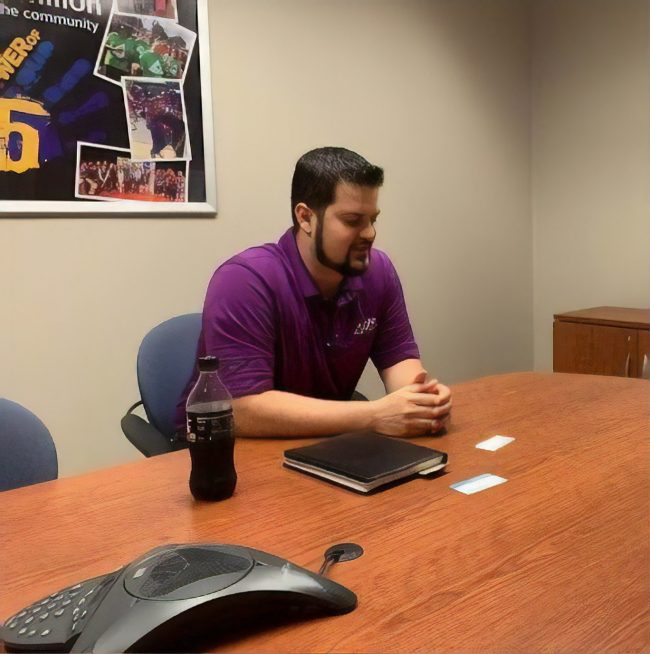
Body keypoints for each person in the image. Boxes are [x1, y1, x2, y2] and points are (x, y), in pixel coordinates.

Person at [176, 147, 452, 438]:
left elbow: (399, 361)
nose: (370, 233)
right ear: (306, 218)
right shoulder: (244, 280)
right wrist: (375, 415)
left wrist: (420, 401)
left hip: (325, 440)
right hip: (224, 448)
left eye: (373, 219)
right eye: (352, 220)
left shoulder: (378, 272)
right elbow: (243, 411)